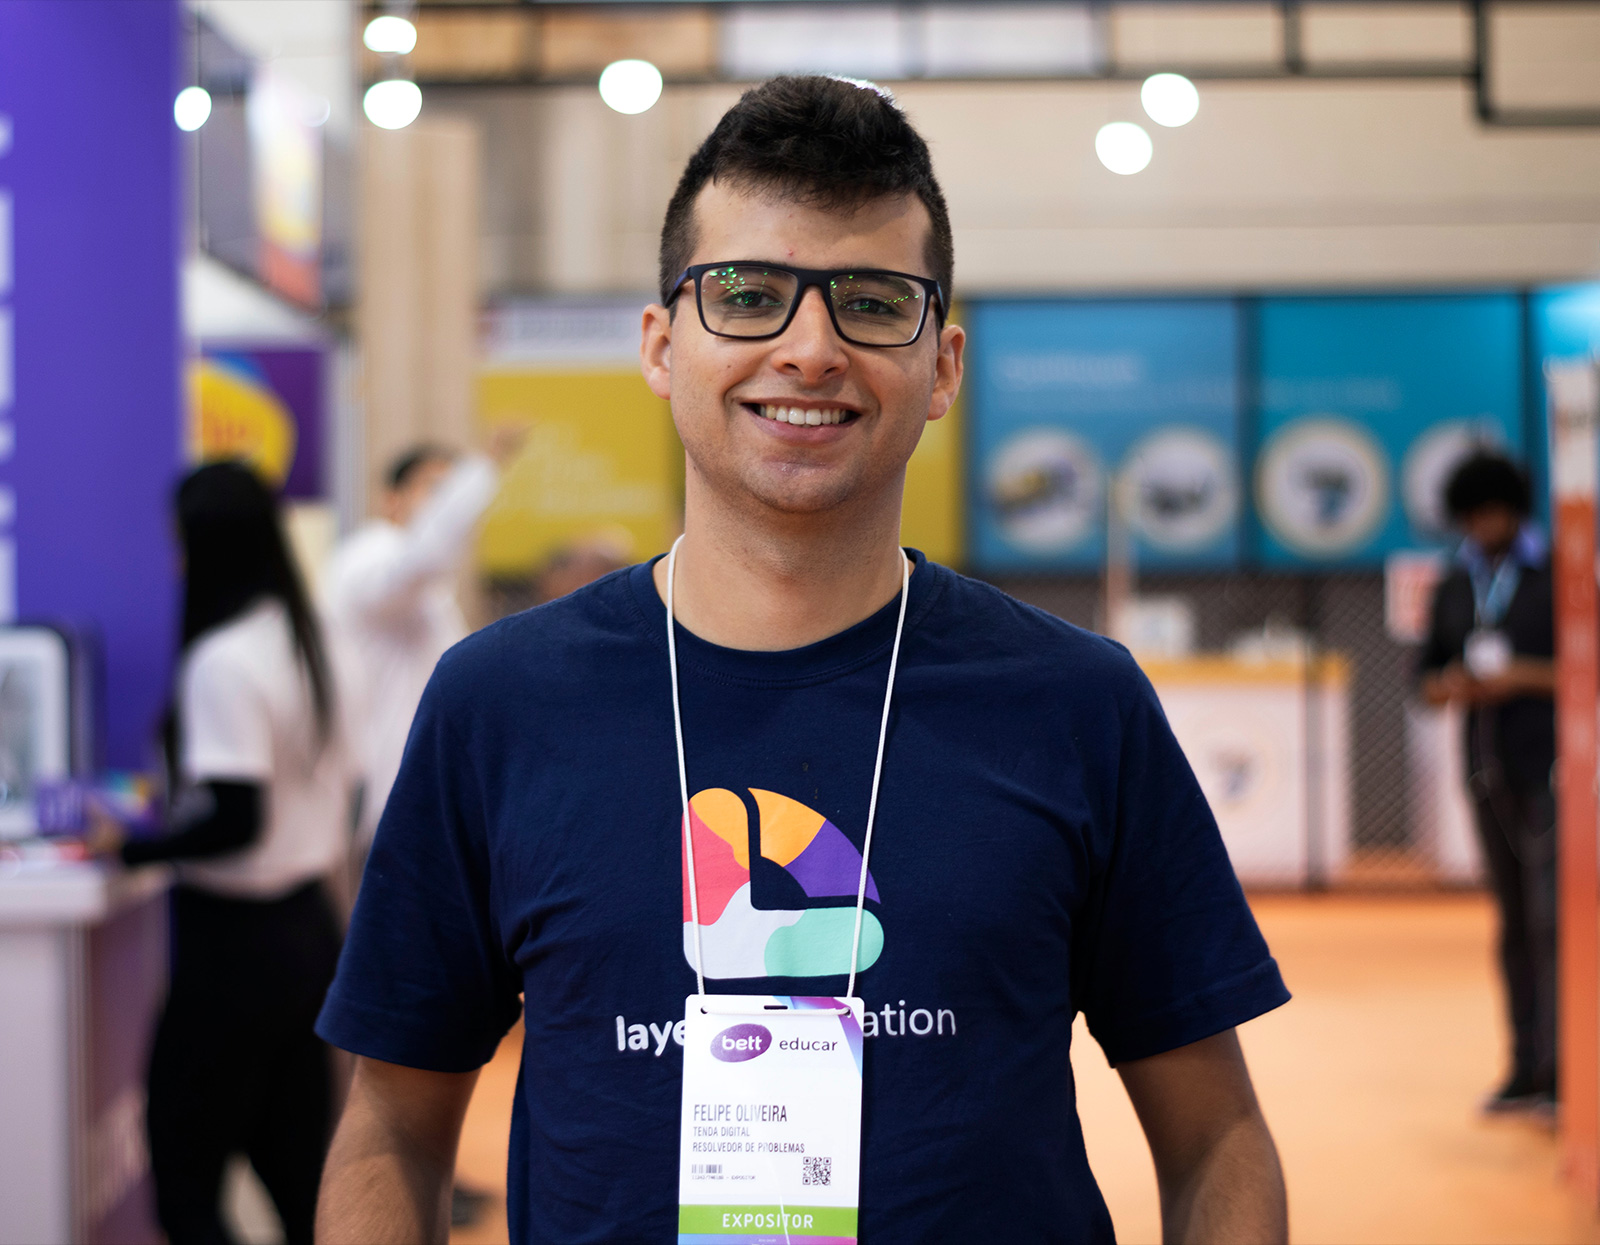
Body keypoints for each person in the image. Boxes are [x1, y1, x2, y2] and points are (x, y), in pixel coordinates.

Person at [314, 76, 1290, 1243]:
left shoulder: (1077, 704)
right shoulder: (499, 704)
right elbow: (392, 1127)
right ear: (661, 345)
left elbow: (1216, 1138)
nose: (810, 350)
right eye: (748, 297)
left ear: (943, 365)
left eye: (872, 303)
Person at [101, 462, 348, 1245]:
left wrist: (130, 847)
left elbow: (236, 818)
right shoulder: (304, 638)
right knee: (298, 1176)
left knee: (184, 1176)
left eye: (181, 542)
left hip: (237, 947)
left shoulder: (223, 660)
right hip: (307, 932)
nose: (174, 561)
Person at [1420, 451, 1556, 1114]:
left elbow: (1583, 669)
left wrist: (1521, 677)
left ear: (1516, 510)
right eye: (1471, 516)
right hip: (1484, 771)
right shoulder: (1453, 584)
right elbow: (1424, 680)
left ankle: (1563, 1067)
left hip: (1551, 769)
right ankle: (1525, 1063)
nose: (1482, 525)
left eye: (1492, 512)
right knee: (1513, 922)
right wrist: (1453, 685)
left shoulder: (1556, 576)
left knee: (1552, 917)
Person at [321, 435, 515, 849]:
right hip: (384, 787)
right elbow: (425, 554)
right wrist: (481, 470)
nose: (446, 504)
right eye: (435, 489)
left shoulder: (425, 584)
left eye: (452, 491)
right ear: (392, 499)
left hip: (423, 783)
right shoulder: (369, 556)